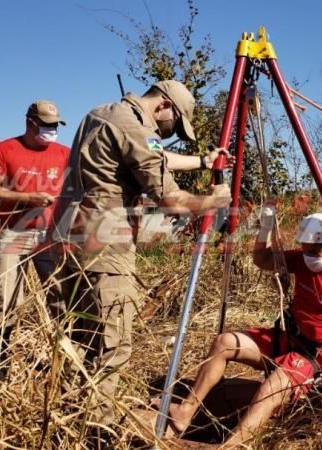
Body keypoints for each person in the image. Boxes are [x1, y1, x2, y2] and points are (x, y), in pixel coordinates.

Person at [49, 80, 232, 435]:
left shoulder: (102, 114)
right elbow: (169, 198)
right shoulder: (136, 126)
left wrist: (201, 161)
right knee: (111, 345)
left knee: (77, 340)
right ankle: (96, 434)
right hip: (104, 245)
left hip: (69, 237)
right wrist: (211, 201)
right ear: (165, 106)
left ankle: (65, 422)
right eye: (174, 126)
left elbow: (152, 157)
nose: (169, 133)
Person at [165, 208, 322, 446]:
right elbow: (263, 260)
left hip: (317, 357)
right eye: (305, 249)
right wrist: (266, 227)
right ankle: (185, 412)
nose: (308, 256)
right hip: (289, 340)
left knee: (270, 389)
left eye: (315, 251)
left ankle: (233, 445)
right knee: (224, 343)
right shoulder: (301, 260)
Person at [0, 100, 70, 373]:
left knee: (62, 299)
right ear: (30, 122)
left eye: (55, 125)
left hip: (51, 235)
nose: (52, 130)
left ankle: (66, 362)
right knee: (5, 300)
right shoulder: (3, 149)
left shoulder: (65, 153)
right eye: (47, 124)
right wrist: (26, 198)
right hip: (14, 234)